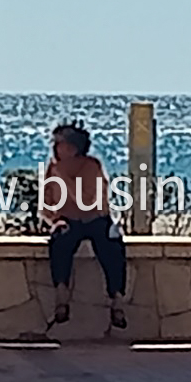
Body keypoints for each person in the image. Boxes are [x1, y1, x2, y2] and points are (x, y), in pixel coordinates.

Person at [39, 121, 127, 329]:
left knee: (111, 247)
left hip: (95, 219)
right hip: (68, 219)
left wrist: (63, 177)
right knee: (60, 243)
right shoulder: (53, 168)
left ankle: (117, 299)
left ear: (73, 147)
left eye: (59, 143)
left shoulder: (91, 166)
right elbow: (45, 203)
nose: (55, 148)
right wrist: (55, 220)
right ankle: (61, 295)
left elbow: (87, 200)